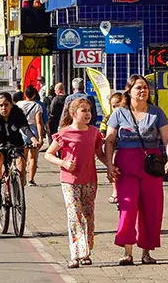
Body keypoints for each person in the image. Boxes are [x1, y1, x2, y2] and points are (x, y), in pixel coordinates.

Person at [104, 75, 168, 265]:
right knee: (128, 207)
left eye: (145, 87)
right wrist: (110, 165)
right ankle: (127, 252)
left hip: (151, 164)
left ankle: (146, 252)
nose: (142, 91)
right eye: (138, 88)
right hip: (126, 163)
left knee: (151, 208)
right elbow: (110, 140)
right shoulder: (119, 113)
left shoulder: (156, 113)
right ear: (129, 91)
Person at [45, 97, 106, 268]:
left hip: (89, 179)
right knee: (75, 215)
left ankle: (86, 251)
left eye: (89, 110)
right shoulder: (65, 133)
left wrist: (110, 165)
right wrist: (63, 163)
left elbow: (99, 153)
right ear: (73, 114)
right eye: (83, 111)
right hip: (69, 180)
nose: (88, 114)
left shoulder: (94, 132)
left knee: (88, 215)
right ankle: (76, 253)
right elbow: (48, 154)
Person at [0, 92, 39, 207]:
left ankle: (18, 192)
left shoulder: (17, 113)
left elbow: (24, 127)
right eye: (1, 105)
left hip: (15, 145)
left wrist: (33, 139)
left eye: (6, 105)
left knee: (21, 168)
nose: (4, 108)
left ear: (11, 104)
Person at [99, 92, 126, 203]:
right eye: (113, 106)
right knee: (113, 166)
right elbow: (102, 129)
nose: (115, 108)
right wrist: (103, 136)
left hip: (126, 147)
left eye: (117, 105)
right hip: (114, 147)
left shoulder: (128, 115)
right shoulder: (109, 117)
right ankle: (115, 191)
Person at [17, 86, 45, 186]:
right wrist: (41, 137)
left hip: (21, 130)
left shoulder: (19, 104)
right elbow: (39, 122)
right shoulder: (37, 106)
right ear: (34, 95)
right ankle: (31, 180)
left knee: (22, 156)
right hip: (33, 131)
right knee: (33, 157)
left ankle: (22, 176)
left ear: (25, 94)